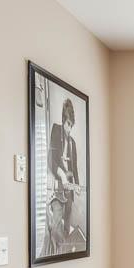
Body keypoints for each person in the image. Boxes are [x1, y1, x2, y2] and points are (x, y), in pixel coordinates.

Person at [48, 98, 80, 236]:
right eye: (68, 124)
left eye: (72, 125)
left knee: (67, 227)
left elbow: (75, 168)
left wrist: (77, 185)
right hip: (58, 189)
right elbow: (50, 159)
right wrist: (61, 173)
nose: (69, 129)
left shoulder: (73, 143)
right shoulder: (56, 130)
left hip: (69, 191)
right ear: (63, 120)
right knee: (56, 228)